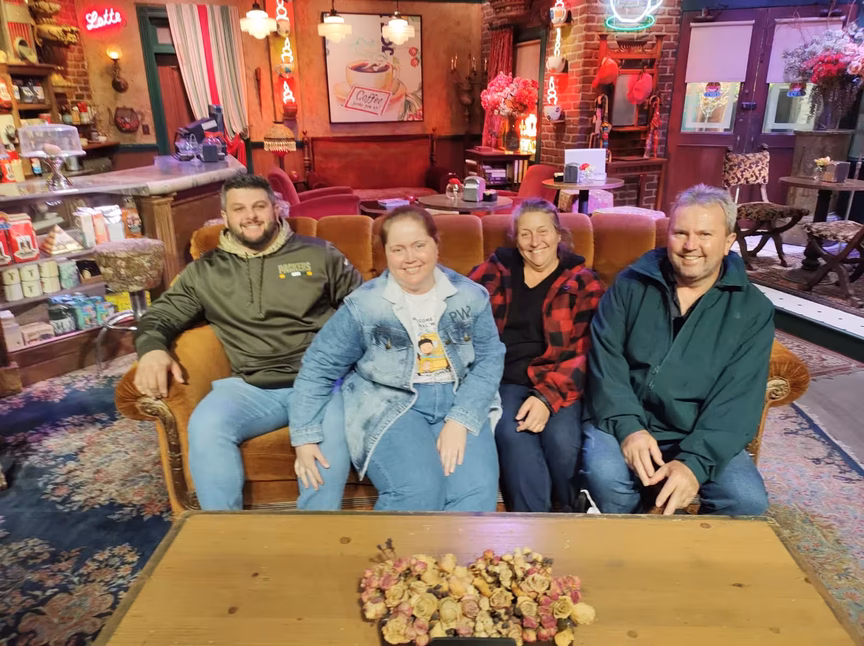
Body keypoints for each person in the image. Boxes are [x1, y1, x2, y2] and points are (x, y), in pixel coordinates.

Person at [133, 174, 362, 511]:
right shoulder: (205, 271)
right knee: (206, 426)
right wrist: (152, 348)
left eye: (259, 206)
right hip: (251, 387)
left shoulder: (319, 254)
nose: (250, 216)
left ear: (276, 209)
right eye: (239, 209)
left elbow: (362, 308)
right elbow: (161, 315)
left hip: (320, 383)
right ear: (224, 216)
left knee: (326, 453)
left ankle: (316, 532)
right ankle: (227, 532)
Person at [289, 205, 504, 511]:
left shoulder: (471, 296)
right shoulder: (364, 305)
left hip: (459, 397)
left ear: (436, 244)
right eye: (398, 249)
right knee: (418, 491)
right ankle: (396, 545)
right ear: (386, 254)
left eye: (419, 245)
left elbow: (490, 358)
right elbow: (318, 366)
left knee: (476, 494)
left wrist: (461, 419)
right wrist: (304, 435)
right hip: (390, 402)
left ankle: (449, 546)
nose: (410, 258)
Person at [582, 184, 774, 516]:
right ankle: (628, 541)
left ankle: (691, 548)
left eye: (705, 234)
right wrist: (629, 429)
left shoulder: (753, 310)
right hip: (624, 416)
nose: (690, 246)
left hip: (698, 430)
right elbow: (605, 364)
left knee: (746, 501)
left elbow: (738, 399)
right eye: (680, 233)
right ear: (667, 235)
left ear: (728, 241)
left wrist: (695, 464)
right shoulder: (630, 285)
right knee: (605, 475)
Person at [470, 199, 605, 512]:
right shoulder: (492, 273)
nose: (535, 242)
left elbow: (585, 349)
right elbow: (456, 303)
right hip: (505, 379)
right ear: (515, 238)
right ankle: (533, 526)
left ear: (558, 235)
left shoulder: (583, 282)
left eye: (543, 231)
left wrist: (546, 397)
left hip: (561, 379)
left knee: (562, 439)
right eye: (525, 233)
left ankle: (572, 514)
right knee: (511, 432)